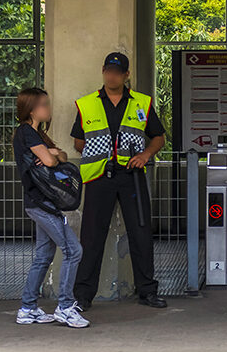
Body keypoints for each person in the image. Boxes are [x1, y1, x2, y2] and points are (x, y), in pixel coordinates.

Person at [70, 52, 167, 309]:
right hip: (100, 177)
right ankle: (82, 296)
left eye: (117, 72)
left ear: (126, 75)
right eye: (108, 71)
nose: (112, 75)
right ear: (103, 71)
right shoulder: (86, 104)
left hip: (131, 177)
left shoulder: (141, 103)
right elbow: (78, 142)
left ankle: (147, 291)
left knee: (141, 233)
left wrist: (146, 155)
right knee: (91, 238)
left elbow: (158, 137)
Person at [12, 88, 89, 328]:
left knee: (44, 256)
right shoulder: (26, 133)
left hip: (42, 203)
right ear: (32, 109)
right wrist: (53, 155)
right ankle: (65, 307)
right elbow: (49, 161)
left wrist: (54, 153)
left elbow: (62, 155)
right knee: (73, 251)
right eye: (44, 104)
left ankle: (28, 308)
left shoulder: (38, 135)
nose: (48, 108)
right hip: (41, 204)